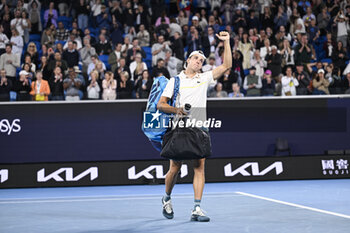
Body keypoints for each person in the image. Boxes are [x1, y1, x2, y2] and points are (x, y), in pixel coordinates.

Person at [157, 31, 232, 222]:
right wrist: (177, 110)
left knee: (199, 167)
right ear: (188, 61)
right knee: (175, 168)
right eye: (196, 58)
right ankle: (166, 198)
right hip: (179, 128)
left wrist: (227, 42)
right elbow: (161, 105)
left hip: (199, 128)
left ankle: (197, 208)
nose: (199, 61)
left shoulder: (204, 78)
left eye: (201, 60)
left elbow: (227, 65)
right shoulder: (175, 81)